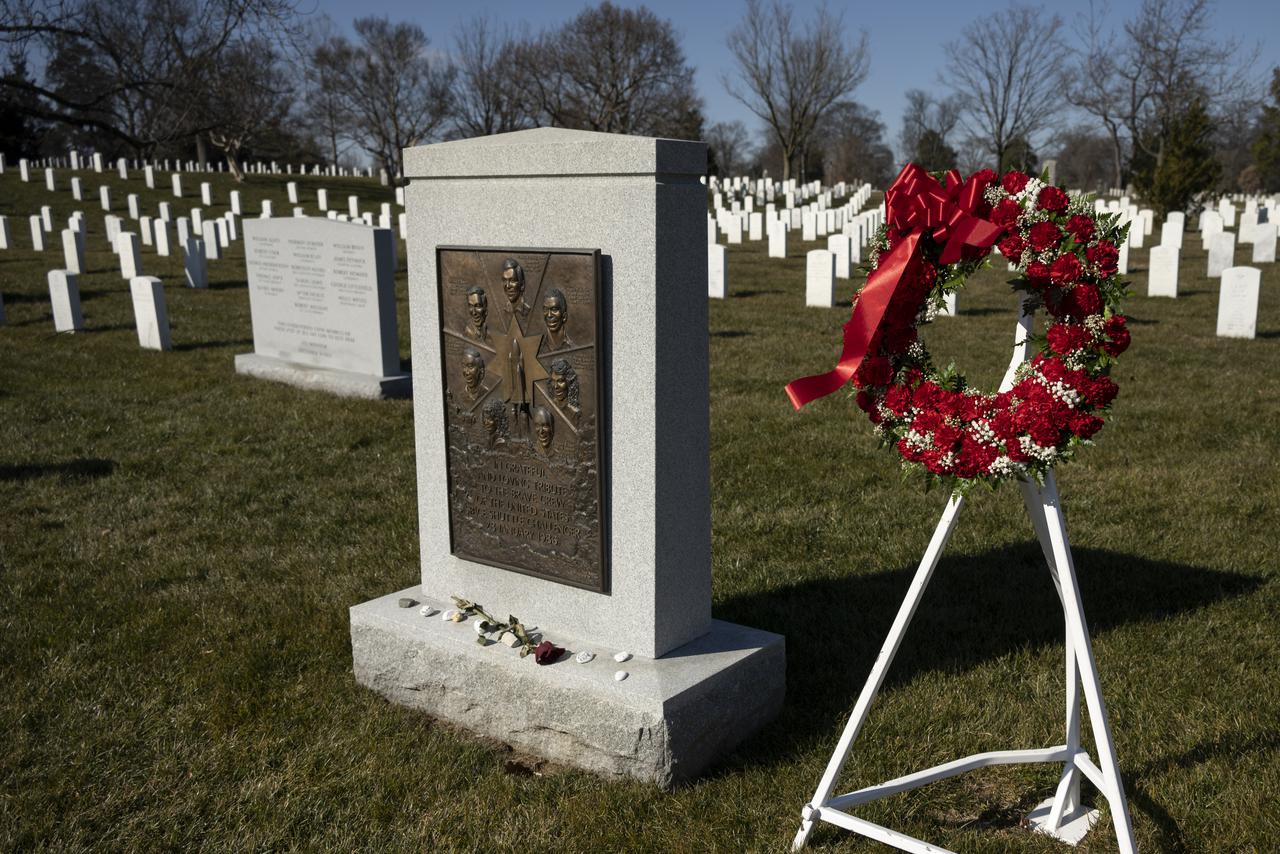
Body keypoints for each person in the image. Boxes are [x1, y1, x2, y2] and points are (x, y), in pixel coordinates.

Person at [499, 258, 531, 330]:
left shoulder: (527, 309)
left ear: (522, 285)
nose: (507, 286)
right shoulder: (503, 310)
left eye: (512, 280)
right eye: (505, 281)